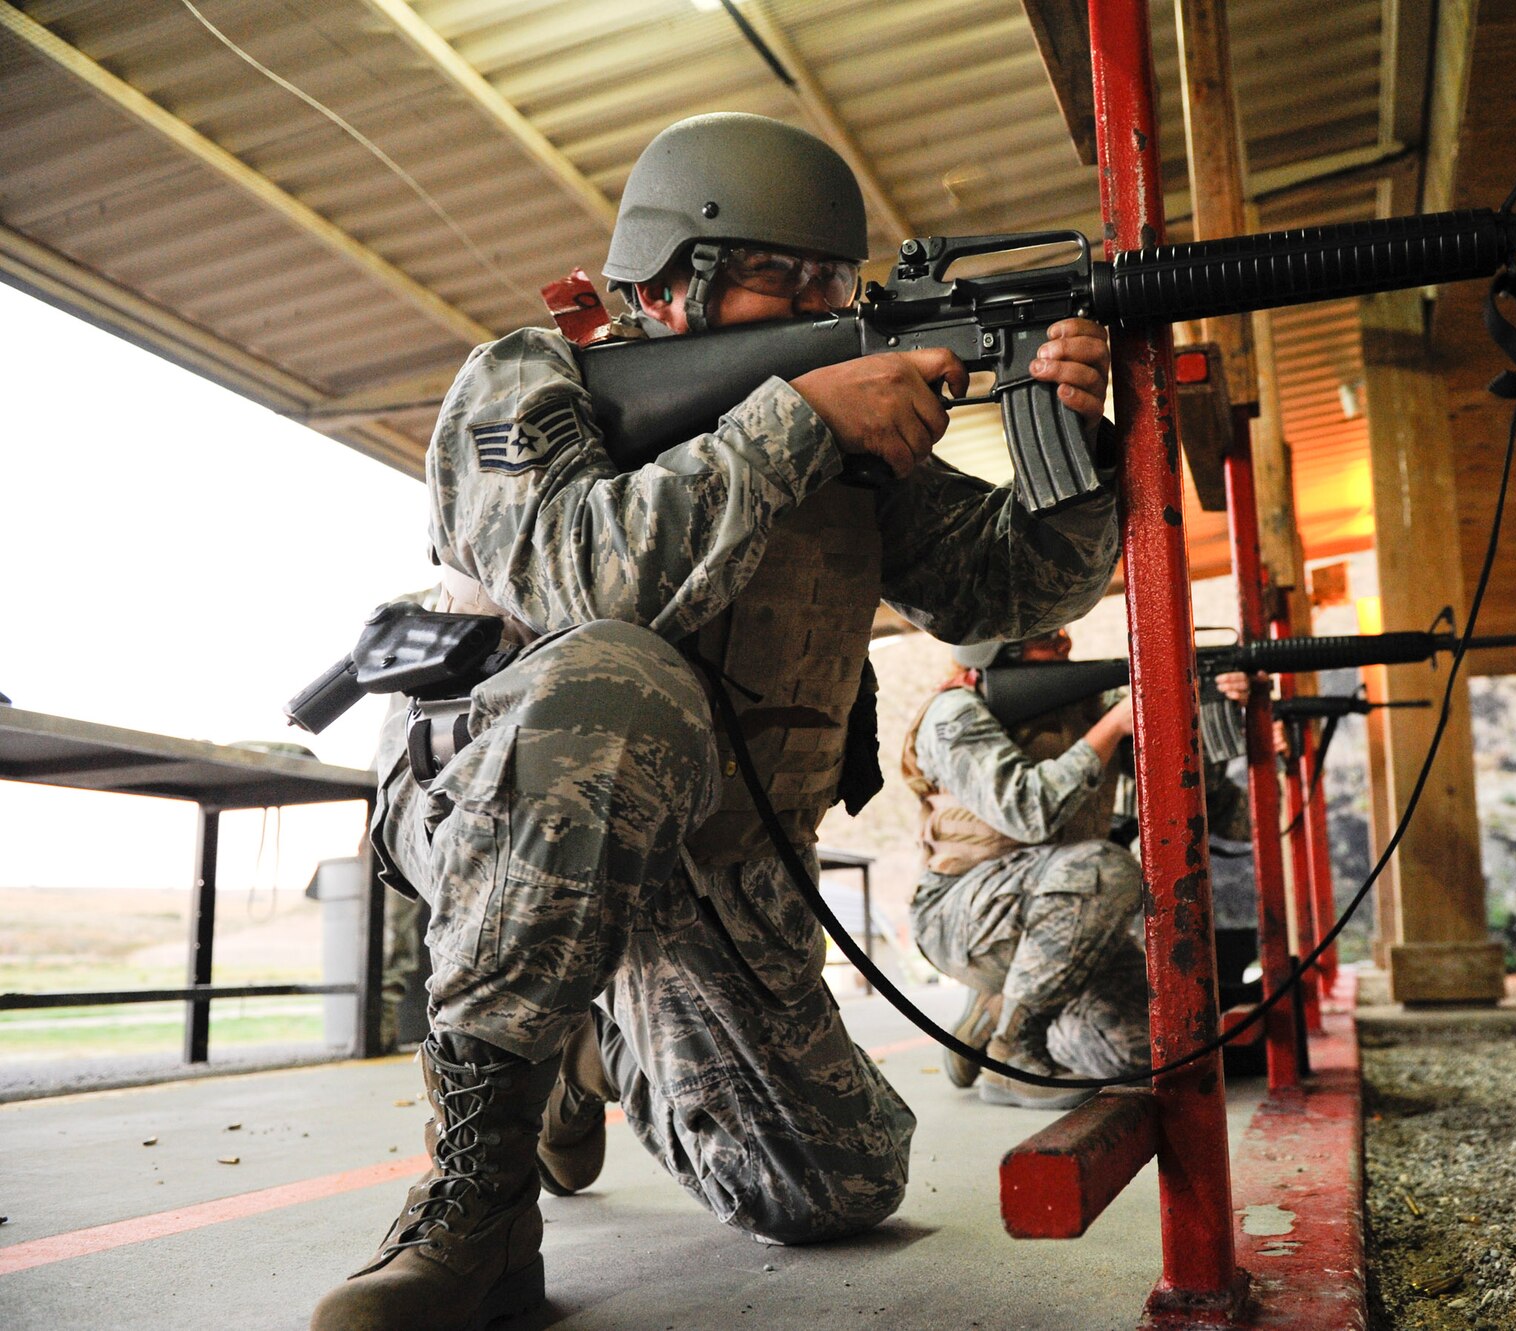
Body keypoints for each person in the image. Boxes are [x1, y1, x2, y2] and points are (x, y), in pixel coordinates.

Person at [312, 112, 1119, 1330]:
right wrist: (797, 420)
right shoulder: (536, 380)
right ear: (669, 285)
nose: (810, 303)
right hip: (512, 828)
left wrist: (1077, 447)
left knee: (836, 1187)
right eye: (772, 279)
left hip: (724, 871)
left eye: (826, 281)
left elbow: (1003, 589)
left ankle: (591, 1043)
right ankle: (476, 1200)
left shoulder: (846, 436)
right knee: (618, 680)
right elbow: (580, 578)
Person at [900, 630, 1149, 1109]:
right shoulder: (954, 714)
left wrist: (1224, 701)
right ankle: (1011, 1053)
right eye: (1047, 637)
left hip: (1058, 914)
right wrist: (1113, 728)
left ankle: (999, 1010)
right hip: (961, 917)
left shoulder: (1085, 702)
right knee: (1105, 869)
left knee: (1148, 1044)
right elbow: (1027, 811)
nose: (1066, 642)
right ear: (997, 651)